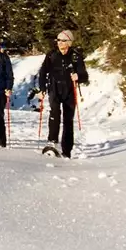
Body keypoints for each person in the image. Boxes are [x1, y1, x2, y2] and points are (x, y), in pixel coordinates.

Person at [36, 29, 88, 158]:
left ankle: (67, 150)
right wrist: (42, 89)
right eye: (58, 40)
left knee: (68, 120)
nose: (60, 43)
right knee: (54, 114)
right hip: (54, 88)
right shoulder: (51, 55)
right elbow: (42, 73)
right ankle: (52, 142)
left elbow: (84, 76)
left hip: (70, 90)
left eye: (63, 40)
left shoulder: (76, 56)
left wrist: (78, 76)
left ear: (69, 42)